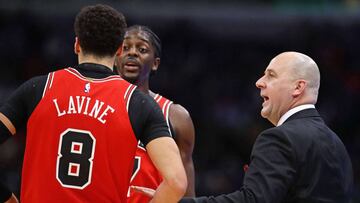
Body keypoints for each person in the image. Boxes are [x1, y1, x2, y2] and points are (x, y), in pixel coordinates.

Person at [0, 4, 187, 203]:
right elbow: (176, 182)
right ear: (118, 50)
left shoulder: (39, 88)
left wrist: (8, 199)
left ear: (77, 45)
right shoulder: (138, 102)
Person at [178, 51, 353, 202]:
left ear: (298, 87)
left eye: (271, 75)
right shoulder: (337, 144)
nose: (259, 82)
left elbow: (252, 200)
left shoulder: (280, 138)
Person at [114, 25, 196, 202]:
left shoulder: (176, 116)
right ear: (115, 58)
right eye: (125, 48)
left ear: (155, 63)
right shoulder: (97, 106)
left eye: (142, 49)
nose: (133, 53)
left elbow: (187, 196)